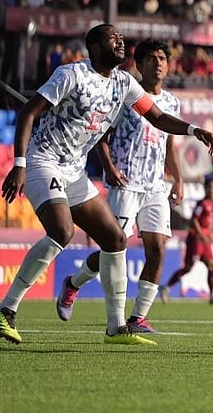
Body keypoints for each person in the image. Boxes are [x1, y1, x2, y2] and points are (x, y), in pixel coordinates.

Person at [0, 24, 213, 346]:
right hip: (44, 160)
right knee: (62, 232)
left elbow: (158, 118)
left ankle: (116, 327)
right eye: (113, 38)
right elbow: (29, 112)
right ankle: (5, 309)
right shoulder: (72, 74)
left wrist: (194, 130)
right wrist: (19, 164)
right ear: (95, 47)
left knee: (114, 238)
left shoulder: (124, 83)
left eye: (122, 38)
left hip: (75, 171)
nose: (120, 42)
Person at [55, 38, 185, 333]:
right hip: (126, 182)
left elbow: (170, 146)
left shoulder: (171, 102)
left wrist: (178, 178)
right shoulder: (127, 99)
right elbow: (102, 135)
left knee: (158, 250)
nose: (159, 62)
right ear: (139, 65)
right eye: (151, 58)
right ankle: (73, 283)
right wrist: (108, 168)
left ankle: (138, 318)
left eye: (162, 57)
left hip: (155, 187)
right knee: (114, 246)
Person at [162, 177, 213, 303]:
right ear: (206, 189)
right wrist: (201, 234)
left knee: (212, 266)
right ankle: (166, 287)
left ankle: (212, 296)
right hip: (196, 239)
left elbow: (209, 221)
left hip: (205, 240)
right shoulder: (202, 204)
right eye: (210, 187)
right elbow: (194, 220)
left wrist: (209, 233)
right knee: (188, 268)